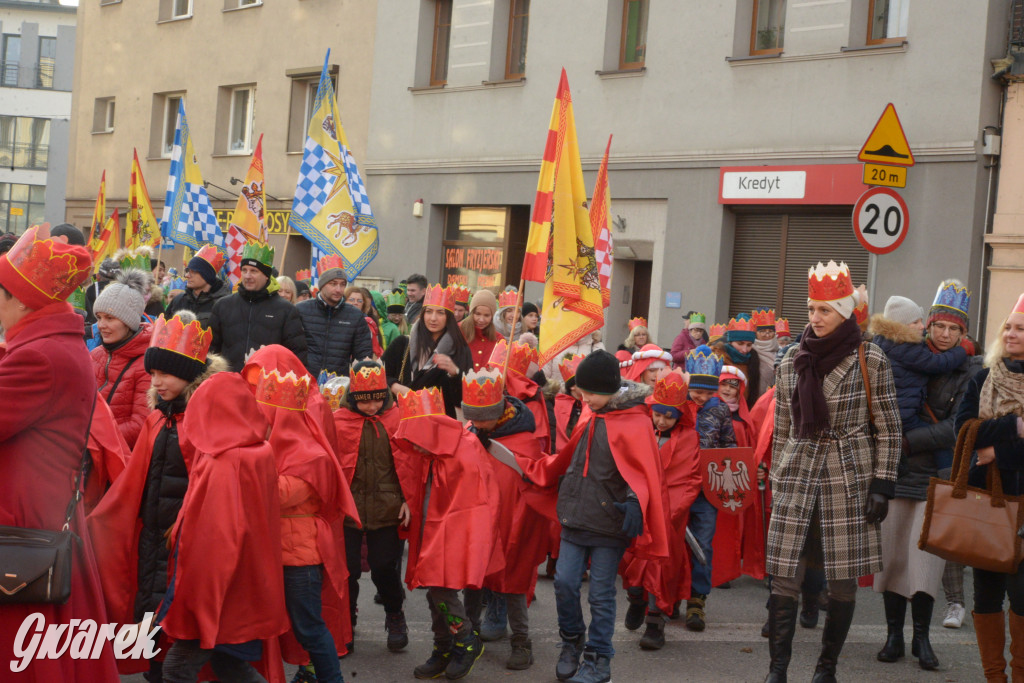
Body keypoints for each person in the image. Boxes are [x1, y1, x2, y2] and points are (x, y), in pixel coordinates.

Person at [764, 260, 901, 683]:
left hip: (849, 477)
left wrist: (883, 483)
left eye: (824, 310)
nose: (815, 318)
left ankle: (826, 669)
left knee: (841, 581)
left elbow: (891, 426)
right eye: (810, 309)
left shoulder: (871, 358)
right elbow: (783, 430)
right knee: (784, 576)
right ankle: (778, 671)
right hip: (799, 475)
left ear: (844, 311)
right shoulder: (792, 361)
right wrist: (777, 478)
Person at [0, 224, 119, 682]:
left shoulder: (39, 357)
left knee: (24, 652)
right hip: (40, 514)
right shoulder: (52, 347)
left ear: (24, 302)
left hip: (22, 523)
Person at [87, 311, 226, 681]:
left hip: (188, 541)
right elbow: (134, 480)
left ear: (191, 374)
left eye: (166, 373)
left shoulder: (207, 419)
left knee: (180, 623)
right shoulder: (157, 418)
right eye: (153, 373)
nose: (157, 381)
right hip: (153, 535)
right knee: (149, 614)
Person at [516, 350, 668, 683]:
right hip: (575, 514)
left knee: (600, 594)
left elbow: (643, 471)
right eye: (582, 392)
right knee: (565, 583)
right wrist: (538, 472)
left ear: (610, 389)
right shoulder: (590, 411)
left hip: (610, 522)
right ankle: (571, 641)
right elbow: (568, 458)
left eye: (590, 393)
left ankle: (599, 657)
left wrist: (633, 501)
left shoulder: (636, 419)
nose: (583, 398)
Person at [159, 373, 291, 683]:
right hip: (245, 584)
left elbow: (218, 539)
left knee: (178, 669)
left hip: (217, 589)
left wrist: (198, 601)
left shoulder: (224, 461)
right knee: (229, 665)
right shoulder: (257, 450)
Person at [244, 346, 358, 683]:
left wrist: (242, 466)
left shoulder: (310, 454)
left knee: (308, 626)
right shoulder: (264, 444)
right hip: (271, 548)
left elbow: (275, 495)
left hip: (298, 555)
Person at [391, 387, 503, 681]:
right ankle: (444, 648)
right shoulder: (430, 453)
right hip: (432, 530)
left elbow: (475, 502)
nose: (414, 447)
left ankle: (465, 638)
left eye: (417, 439)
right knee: (434, 592)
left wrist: (454, 535)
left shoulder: (465, 449)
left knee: (440, 589)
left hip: (456, 533)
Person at [954, 292, 1024, 682]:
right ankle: (994, 677)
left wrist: (995, 450)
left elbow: (981, 439)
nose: (1011, 334)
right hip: (987, 502)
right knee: (985, 595)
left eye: (1020, 329)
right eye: (1008, 328)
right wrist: (1014, 428)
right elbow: (963, 429)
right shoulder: (983, 377)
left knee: (1023, 597)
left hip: (1023, 504)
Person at [905, 281, 983, 630]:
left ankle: (955, 603)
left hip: (944, 458)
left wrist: (909, 439)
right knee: (904, 540)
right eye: (940, 326)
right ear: (929, 325)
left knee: (946, 532)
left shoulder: (971, 367)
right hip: (908, 462)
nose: (946, 334)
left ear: (962, 332)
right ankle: (899, 619)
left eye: (954, 328)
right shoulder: (912, 354)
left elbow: (956, 425)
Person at [462, 368, 551, 671]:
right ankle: (469, 634)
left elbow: (538, 482)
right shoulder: (471, 434)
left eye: (481, 418)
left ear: (498, 411)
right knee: (473, 581)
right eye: (471, 417)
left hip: (515, 523)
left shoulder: (525, 440)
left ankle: (521, 642)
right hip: (480, 522)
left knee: (513, 582)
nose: (475, 423)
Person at [333, 359, 412, 653]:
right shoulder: (338, 420)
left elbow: (410, 464)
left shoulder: (398, 418)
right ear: (353, 398)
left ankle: (395, 613)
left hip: (387, 506)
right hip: (348, 509)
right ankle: (346, 620)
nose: (371, 407)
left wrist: (407, 500)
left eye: (377, 399)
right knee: (347, 570)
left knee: (383, 567)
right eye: (364, 401)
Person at [621, 370, 701, 651]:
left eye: (669, 416)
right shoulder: (641, 431)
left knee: (660, 566)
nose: (662, 420)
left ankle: (655, 621)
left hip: (670, 516)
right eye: (658, 414)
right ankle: (636, 598)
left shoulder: (690, 438)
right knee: (632, 561)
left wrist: (673, 513)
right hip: (638, 509)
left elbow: (690, 479)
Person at [683, 344, 736, 633]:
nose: (701, 398)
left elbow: (729, 445)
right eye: (696, 391)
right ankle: (665, 596)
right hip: (679, 487)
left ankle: (697, 600)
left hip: (707, 490)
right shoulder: (677, 406)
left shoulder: (721, 410)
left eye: (707, 393)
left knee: (703, 544)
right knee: (673, 542)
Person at [870, 295, 968, 434]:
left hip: (890, 415)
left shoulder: (882, 341)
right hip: (903, 417)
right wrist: (962, 350)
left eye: (953, 329)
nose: (922, 326)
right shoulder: (906, 347)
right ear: (900, 326)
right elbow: (938, 364)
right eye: (915, 322)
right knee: (941, 449)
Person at [209, 241, 307, 371]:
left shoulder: (286, 310)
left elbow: (296, 356)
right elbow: (210, 350)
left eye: (254, 271)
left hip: (267, 385)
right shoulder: (222, 306)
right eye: (244, 270)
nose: (248, 276)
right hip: (229, 383)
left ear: (266, 276)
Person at [382, 284, 472, 419]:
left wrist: (455, 373)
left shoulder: (459, 350)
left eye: (440, 313)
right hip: (401, 418)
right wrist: (397, 387)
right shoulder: (402, 344)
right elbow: (380, 375)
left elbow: (463, 399)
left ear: (449, 316)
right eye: (429, 311)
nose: (433, 318)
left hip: (439, 422)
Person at [91, 268, 155, 448]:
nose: (101, 325)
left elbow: (140, 425)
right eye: (99, 317)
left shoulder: (148, 363)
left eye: (110, 318)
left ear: (129, 322)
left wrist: (92, 437)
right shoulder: (95, 355)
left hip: (121, 462)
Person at [293, 255, 372, 380]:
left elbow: (363, 354)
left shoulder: (355, 316)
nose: (338, 289)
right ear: (322, 285)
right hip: (305, 380)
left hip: (338, 384)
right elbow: (292, 348)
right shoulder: (301, 310)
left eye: (342, 284)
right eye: (333, 284)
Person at [164, 244, 230, 327]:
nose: (187, 275)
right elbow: (164, 330)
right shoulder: (179, 300)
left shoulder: (224, 304)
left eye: (194, 272)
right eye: (188, 271)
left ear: (207, 275)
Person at [724, 313, 762, 408]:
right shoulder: (718, 358)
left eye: (749, 345)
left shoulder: (753, 359)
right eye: (740, 343)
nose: (744, 349)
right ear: (730, 341)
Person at [461, 288, 499, 371]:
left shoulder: (499, 340)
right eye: (477, 314)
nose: (481, 320)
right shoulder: (458, 331)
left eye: (486, 315)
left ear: (492, 316)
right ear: (471, 313)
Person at [752, 308, 780, 395]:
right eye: (762, 331)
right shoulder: (750, 350)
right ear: (755, 333)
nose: (767, 335)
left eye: (770, 331)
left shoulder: (780, 351)